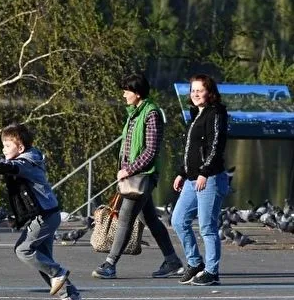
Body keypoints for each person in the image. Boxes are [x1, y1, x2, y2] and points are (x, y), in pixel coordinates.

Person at [0, 123, 82, 300]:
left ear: (20, 148)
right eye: (3, 145)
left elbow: (5, 166)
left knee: (23, 250)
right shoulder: (21, 160)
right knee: (42, 258)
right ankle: (71, 294)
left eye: (7, 146)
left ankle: (59, 272)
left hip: (45, 216)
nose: (3, 149)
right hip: (45, 214)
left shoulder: (27, 163)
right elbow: (1, 164)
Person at [92, 73, 184, 279]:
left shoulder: (151, 113)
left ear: (137, 93)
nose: (124, 95)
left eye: (127, 91)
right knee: (150, 218)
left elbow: (151, 150)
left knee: (125, 217)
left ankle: (110, 264)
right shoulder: (134, 113)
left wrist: (129, 169)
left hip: (142, 176)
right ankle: (172, 261)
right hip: (132, 178)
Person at [171, 74, 229, 286]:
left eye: (199, 90)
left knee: (207, 227)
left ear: (209, 92)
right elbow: (191, 149)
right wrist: (182, 172)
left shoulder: (216, 114)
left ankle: (212, 272)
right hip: (191, 179)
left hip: (210, 178)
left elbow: (216, 146)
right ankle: (195, 263)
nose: (195, 94)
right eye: (192, 90)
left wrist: (204, 172)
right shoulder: (196, 113)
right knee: (177, 220)